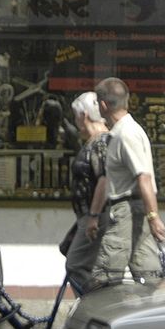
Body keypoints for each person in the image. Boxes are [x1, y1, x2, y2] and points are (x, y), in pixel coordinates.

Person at [86, 77, 165, 289]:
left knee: (104, 278)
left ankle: (102, 311)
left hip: (126, 211)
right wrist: (95, 215)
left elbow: (144, 177)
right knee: (148, 274)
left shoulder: (126, 134)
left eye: (97, 103)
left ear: (103, 105)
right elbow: (111, 178)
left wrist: (153, 216)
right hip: (134, 209)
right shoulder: (123, 132)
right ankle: (157, 305)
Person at [60, 91, 111, 292]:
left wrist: (93, 216)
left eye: (76, 116)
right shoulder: (94, 141)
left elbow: (104, 179)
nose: (76, 122)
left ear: (84, 115)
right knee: (70, 252)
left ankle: (92, 305)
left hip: (96, 216)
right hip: (89, 216)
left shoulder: (101, 142)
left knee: (75, 265)